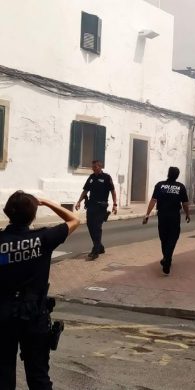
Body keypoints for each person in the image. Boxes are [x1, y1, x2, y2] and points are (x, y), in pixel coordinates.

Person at [0, 191, 79, 389]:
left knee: (3, 376)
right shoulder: (43, 238)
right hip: (34, 316)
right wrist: (48, 202)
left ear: (7, 212)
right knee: (38, 377)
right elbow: (74, 219)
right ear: (33, 215)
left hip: (3, 315)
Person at [143, 166, 190, 275]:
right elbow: (185, 204)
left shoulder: (160, 185)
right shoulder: (180, 187)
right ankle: (167, 259)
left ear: (168, 173)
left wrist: (147, 214)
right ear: (177, 175)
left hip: (162, 215)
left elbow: (153, 200)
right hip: (174, 216)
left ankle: (166, 258)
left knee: (163, 237)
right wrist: (187, 214)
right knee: (173, 237)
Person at [75, 160, 117, 260]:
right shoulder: (91, 177)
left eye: (95, 167)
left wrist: (115, 204)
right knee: (90, 226)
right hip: (91, 206)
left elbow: (113, 191)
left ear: (100, 167)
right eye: (92, 167)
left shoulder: (106, 177)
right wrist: (79, 201)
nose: (93, 168)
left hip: (101, 206)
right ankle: (100, 246)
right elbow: (85, 191)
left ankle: (95, 250)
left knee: (97, 227)